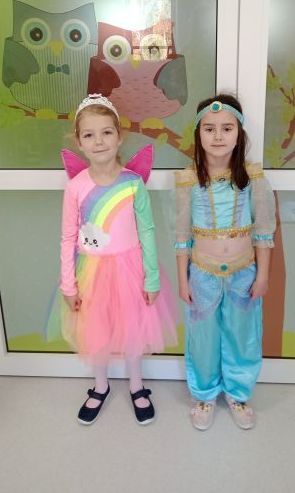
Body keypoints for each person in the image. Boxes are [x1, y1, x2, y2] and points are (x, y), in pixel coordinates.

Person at [60, 93, 177, 426]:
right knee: (95, 329)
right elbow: (68, 237)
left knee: (133, 328)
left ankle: (137, 385)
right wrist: (68, 284)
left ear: (119, 136)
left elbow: (147, 232)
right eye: (89, 134)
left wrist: (151, 278)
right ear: (79, 142)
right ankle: (101, 385)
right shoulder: (76, 187)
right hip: (91, 272)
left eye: (106, 132)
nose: (99, 141)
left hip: (131, 270)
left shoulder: (132, 183)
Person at [174, 94, 276, 430]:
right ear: (198, 134)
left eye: (227, 128)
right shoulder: (188, 180)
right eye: (210, 128)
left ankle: (237, 392)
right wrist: (183, 279)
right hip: (201, 273)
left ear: (239, 133)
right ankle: (204, 394)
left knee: (242, 333)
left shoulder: (253, 179)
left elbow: (263, 231)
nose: (218, 136)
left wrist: (263, 276)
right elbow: (181, 236)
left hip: (244, 273)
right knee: (203, 336)